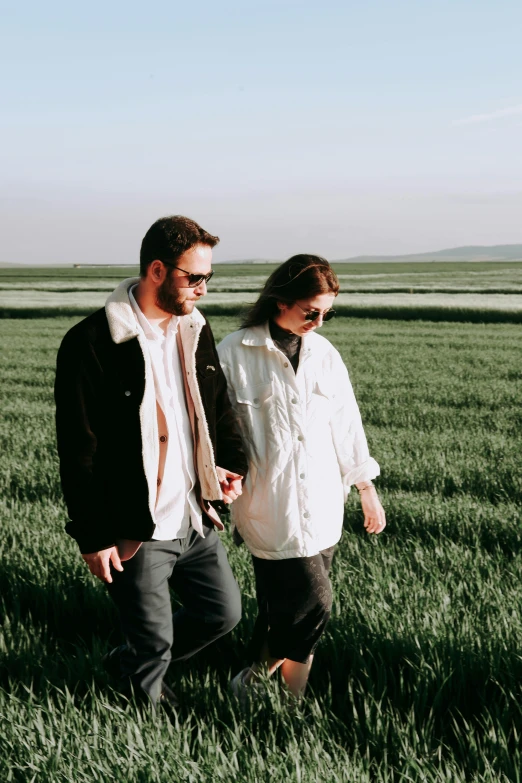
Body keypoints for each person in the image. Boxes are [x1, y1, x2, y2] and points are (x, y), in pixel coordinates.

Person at [54, 215, 248, 709]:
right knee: (154, 643)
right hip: (135, 527)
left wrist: (228, 466)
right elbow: (79, 448)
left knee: (221, 613)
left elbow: (217, 408)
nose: (203, 288)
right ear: (157, 271)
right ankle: (146, 726)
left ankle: (132, 663)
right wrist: (93, 535)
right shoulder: (92, 342)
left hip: (192, 517)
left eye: (208, 276)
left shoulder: (195, 329)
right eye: (194, 277)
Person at [217, 254, 386, 702]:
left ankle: (250, 681)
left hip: (325, 505)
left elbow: (347, 425)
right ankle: (292, 704)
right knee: (315, 604)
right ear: (280, 300)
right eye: (312, 311)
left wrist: (367, 490)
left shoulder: (324, 354)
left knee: (287, 610)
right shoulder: (234, 352)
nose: (320, 322)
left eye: (327, 313)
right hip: (268, 508)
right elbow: (212, 432)